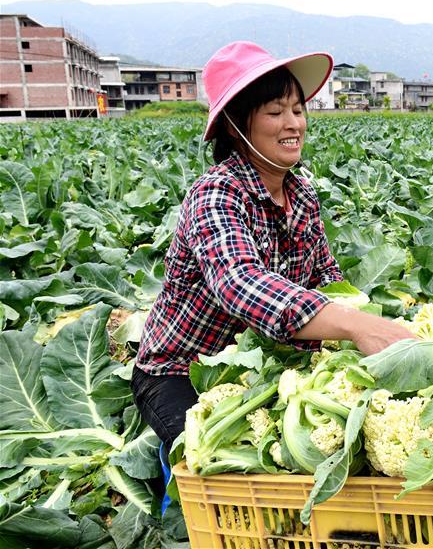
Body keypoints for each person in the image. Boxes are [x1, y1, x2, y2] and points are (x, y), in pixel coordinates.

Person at [130, 41, 415, 459]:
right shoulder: (215, 195)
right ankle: (173, 491)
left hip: (266, 362)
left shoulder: (301, 195)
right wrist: (356, 327)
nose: (293, 123)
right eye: (275, 112)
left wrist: (377, 320)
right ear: (234, 124)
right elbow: (241, 283)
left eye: (298, 110)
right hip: (182, 371)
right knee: (209, 458)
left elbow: (328, 280)